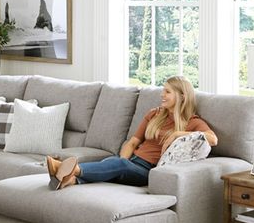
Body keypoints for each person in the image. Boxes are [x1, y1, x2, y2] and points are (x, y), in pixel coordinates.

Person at [47, 75, 218, 190]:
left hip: (148, 172)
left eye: (167, 92)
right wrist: (122, 161)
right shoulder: (154, 114)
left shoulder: (193, 122)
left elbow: (213, 139)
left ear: (182, 96)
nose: (162, 95)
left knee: (119, 165)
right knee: (115, 162)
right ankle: (71, 179)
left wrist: (177, 134)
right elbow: (133, 143)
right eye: (162, 90)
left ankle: (70, 169)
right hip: (133, 162)